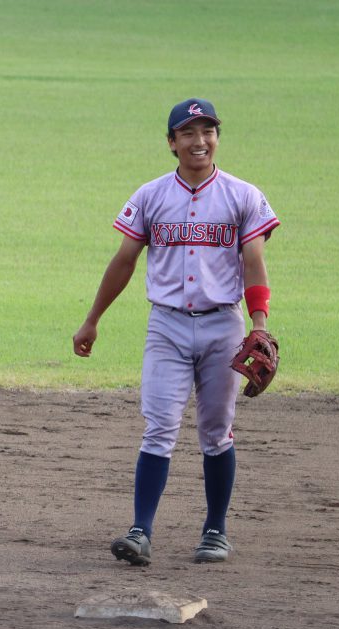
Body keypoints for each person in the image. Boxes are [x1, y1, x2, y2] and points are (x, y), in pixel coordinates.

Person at [72, 99, 279, 566]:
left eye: (208, 131)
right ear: (171, 142)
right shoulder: (150, 196)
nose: (199, 141)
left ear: (217, 139)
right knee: (159, 427)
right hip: (166, 326)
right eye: (188, 133)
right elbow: (124, 261)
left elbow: (254, 262)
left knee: (216, 431)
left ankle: (215, 531)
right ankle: (140, 531)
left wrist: (260, 325)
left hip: (224, 326)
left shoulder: (244, 196)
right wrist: (92, 319)